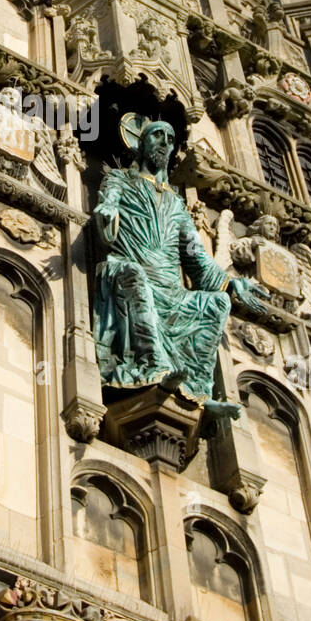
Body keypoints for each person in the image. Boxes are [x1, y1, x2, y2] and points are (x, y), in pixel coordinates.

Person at [93, 118, 267, 416]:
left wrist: (232, 284)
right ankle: (154, 369)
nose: (163, 142)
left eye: (170, 138)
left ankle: (196, 391)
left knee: (216, 303)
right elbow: (108, 202)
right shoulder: (120, 179)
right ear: (140, 142)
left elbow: (196, 258)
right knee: (134, 279)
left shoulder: (177, 204)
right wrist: (107, 211)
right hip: (131, 272)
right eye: (157, 135)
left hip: (171, 289)